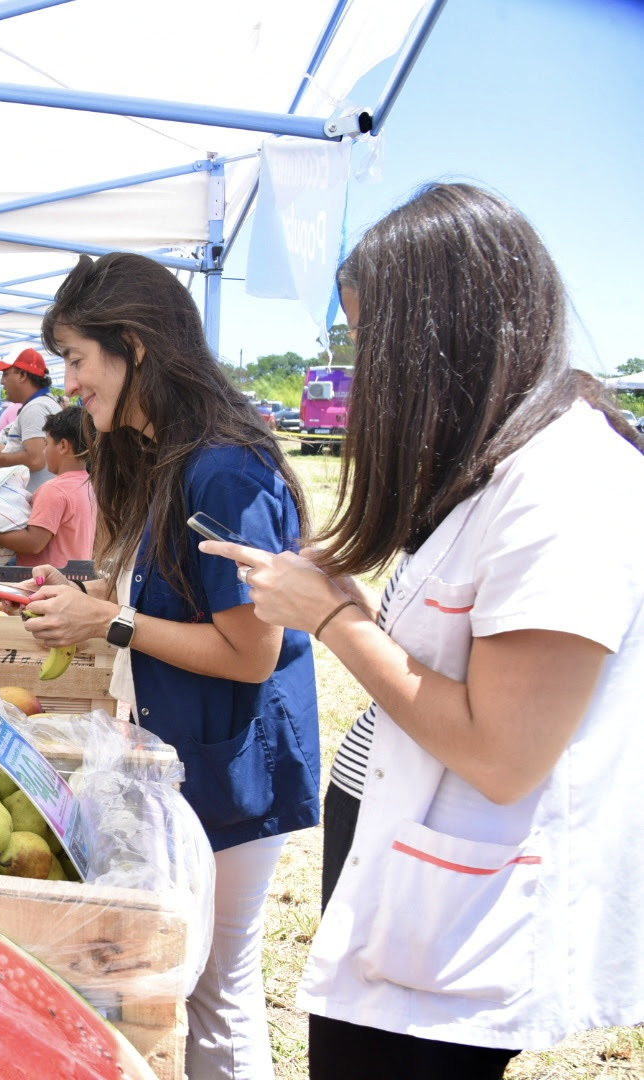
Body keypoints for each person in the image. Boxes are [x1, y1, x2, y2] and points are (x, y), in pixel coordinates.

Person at [200, 184, 644, 1079]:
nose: (366, 370)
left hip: (461, 901)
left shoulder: (572, 484)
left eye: (371, 342)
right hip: (393, 835)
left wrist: (330, 615)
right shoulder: (502, 462)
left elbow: (502, 752)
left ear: (442, 335)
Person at [19, 252, 318, 1080]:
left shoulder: (223, 469)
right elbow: (173, 601)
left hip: (232, 766)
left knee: (219, 992)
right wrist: (90, 597)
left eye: (78, 358)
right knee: (192, 986)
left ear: (136, 346)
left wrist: (110, 621)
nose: (70, 382)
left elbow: (250, 653)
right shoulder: (174, 458)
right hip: (191, 756)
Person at [0, 405, 96, 569]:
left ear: (63, 446)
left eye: (46, 444)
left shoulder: (54, 490)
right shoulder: (88, 485)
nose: (43, 452)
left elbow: (33, 543)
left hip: (44, 585)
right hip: (74, 582)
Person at [0, 349, 61, 488]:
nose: (2, 382)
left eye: (5, 374)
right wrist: (2, 449)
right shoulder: (44, 403)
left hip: (37, 498)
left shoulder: (35, 408)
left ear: (22, 375)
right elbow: (36, 452)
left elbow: (36, 460)